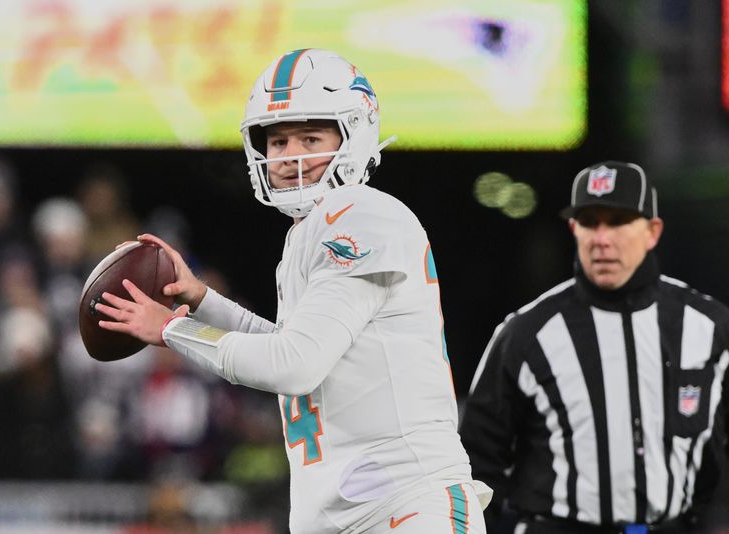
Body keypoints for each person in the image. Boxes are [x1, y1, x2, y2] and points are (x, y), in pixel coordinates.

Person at [96, 48, 490, 533]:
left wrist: (173, 330)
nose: (289, 156)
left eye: (310, 137)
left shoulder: (362, 215)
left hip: (404, 506)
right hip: (355, 514)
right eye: (278, 141)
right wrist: (200, 302)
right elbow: (289, 346)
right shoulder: (312, 231)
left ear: (355, 134)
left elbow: (293, 363)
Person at [460, 161, 729, 534]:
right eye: (589, 222)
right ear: (574, 229)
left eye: (618, 221)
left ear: (653, 231)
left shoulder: (709, 326)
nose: (601, 238)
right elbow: (476, 460)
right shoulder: (526, 333)